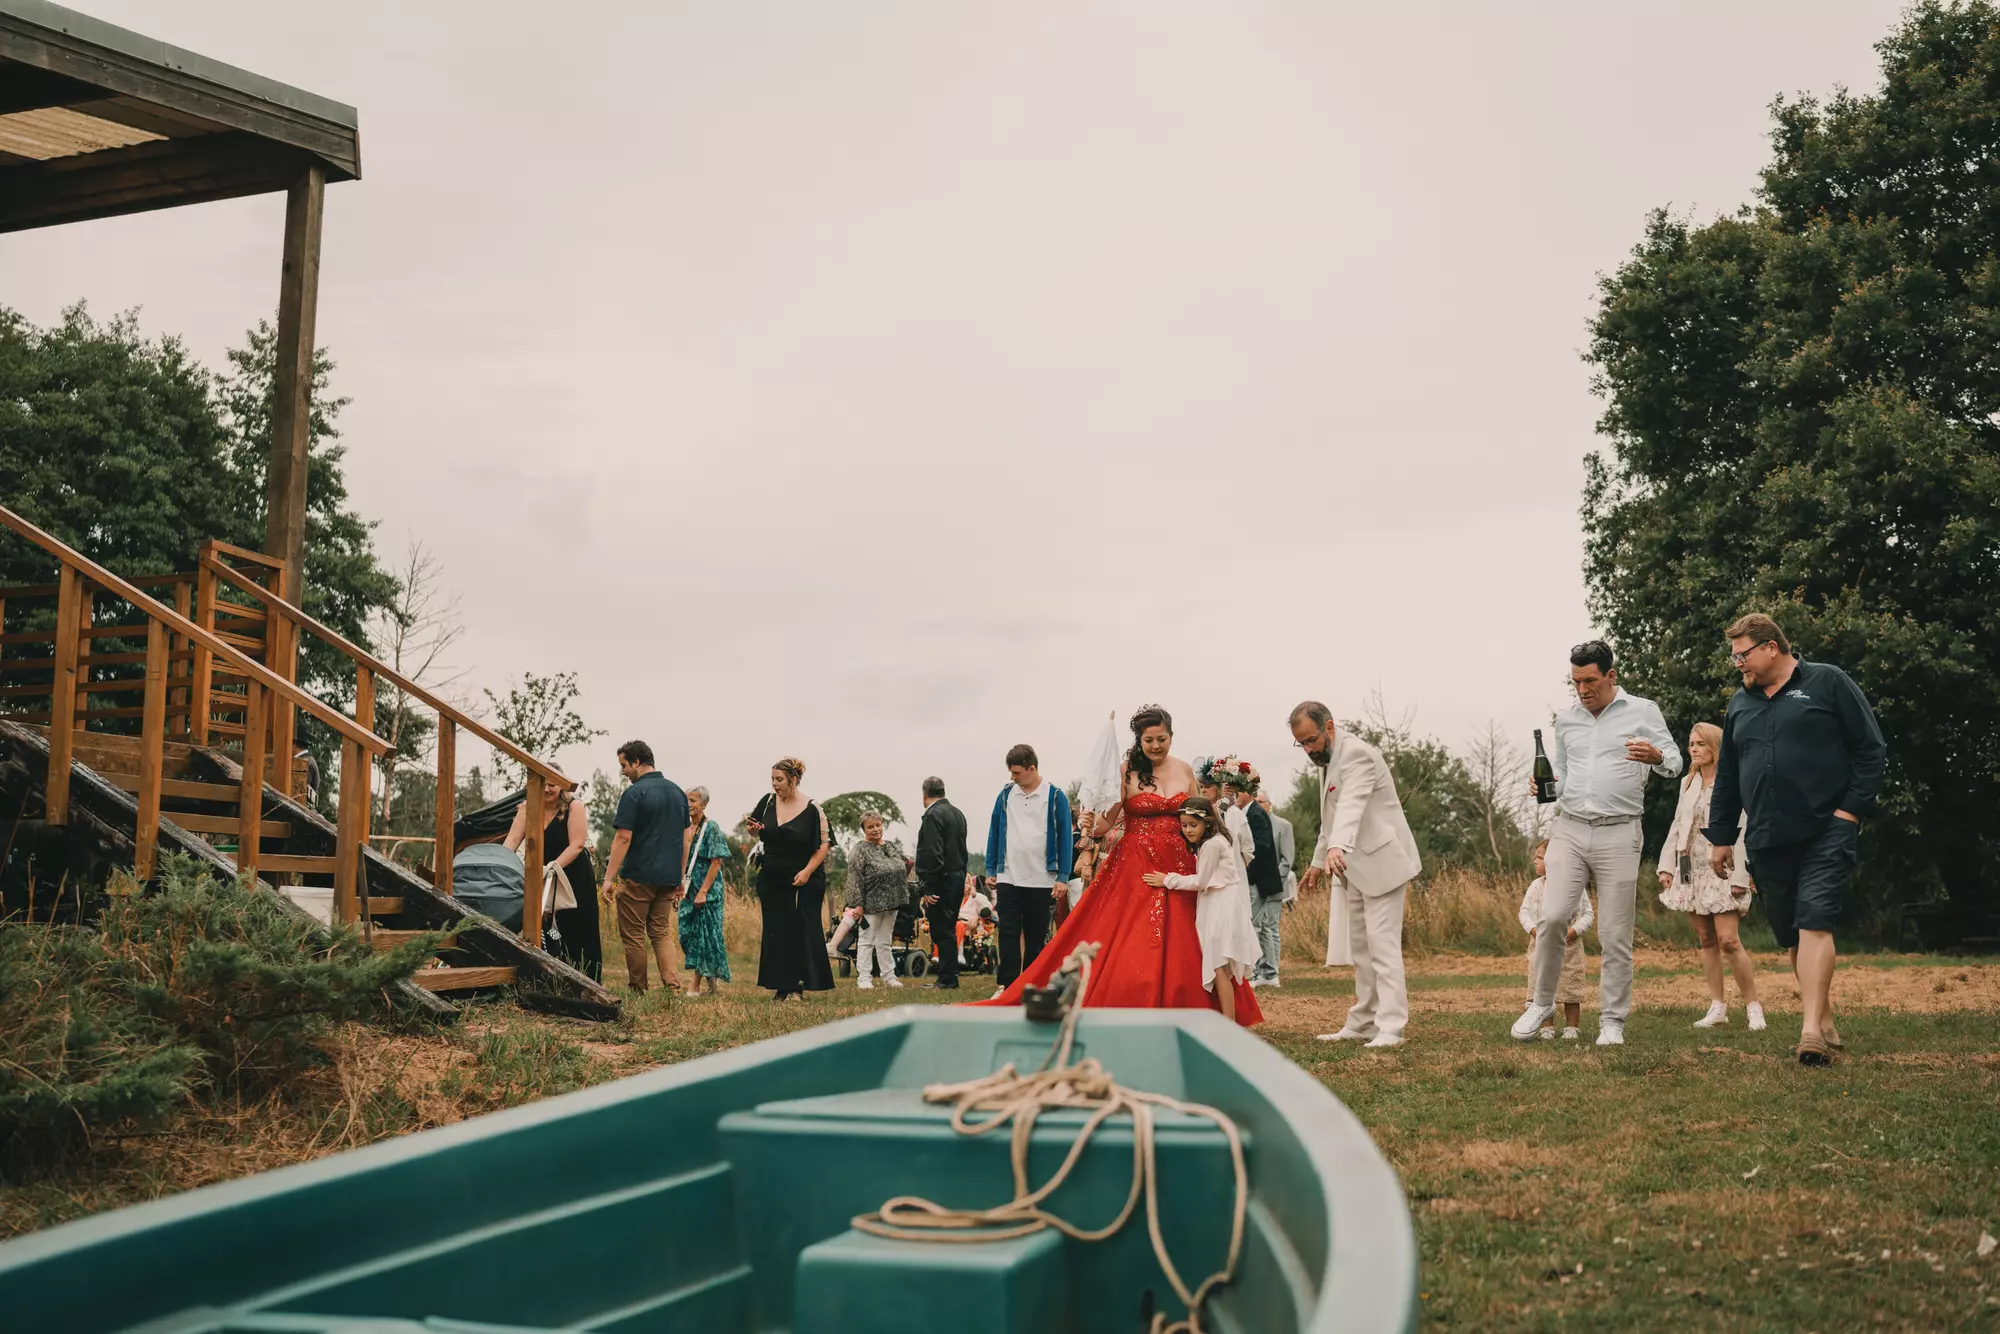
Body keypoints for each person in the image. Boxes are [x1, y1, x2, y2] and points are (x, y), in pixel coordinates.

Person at [979, 705, 1262, 1025]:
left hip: (1181, 862)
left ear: (1171, 737)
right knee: (1131, 934)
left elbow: (1200, 816)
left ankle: (1201, 1005)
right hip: (1135, 865)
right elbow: (1105, 824)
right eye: (1149, 740)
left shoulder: (1185, 770)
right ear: (1139, 740)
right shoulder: (1125, 771)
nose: (1156, 746)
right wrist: (1089, 820)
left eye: (1162, 739)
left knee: (1195, 933)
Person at [1705, 613, 1885, 1067]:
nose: (1737, 664)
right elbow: (1727, 776)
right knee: (1791, 934)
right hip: (1766, 835)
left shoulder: (1828, 683)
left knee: (1815, 921)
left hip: (1827, 828)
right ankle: (1821, 1017)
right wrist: (1723, 836)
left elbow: (1870, 748)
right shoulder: (1739, 704)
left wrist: (1849, 812)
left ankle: (1810, 1035)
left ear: (1771, 647)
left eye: (1741, 654)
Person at [1512, 641, 1681, 1047]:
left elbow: (1675, 764)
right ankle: (1542, 1004)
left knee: (1615, 932)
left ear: (1610, 676)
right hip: (1568, 828)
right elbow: (1564, 776)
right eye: (1575, 682)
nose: (1582, 689)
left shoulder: (1643, 711)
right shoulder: (1567, 720)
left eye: (1589, 680)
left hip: (1620, 831)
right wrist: (1545, 787)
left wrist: (1656, 755)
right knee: (1551, 917)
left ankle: (1612, 1022)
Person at [1291, 701, 1422, 1049]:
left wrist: (1338, 847)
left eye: (1310, 740)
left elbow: (1353, 804)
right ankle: (1363, 1021)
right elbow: (1330, 819)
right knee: (1361, 949)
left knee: (1383, 946)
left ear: (1329, 727)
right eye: (1301, 744)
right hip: (1353, 867)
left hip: (1382, 862)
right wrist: (1319, 861)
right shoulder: (1329, 761)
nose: (1308, 749)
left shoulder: (1357, 755)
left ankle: (1392, 1026)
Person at [1657, 723, 1763, 1030]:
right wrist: (1668, 866)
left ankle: (1753, 1007)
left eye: (1700, 744)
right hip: (1690, 867)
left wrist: (1745, 872)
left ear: (1715, 747)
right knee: (1706, 939)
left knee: (1729, 940)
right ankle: (1718, 1007)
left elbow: (1745, 830)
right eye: (1691, 744)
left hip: (1725, 867)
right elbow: (1678, 825)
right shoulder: (1688, 782)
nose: (1693, 749)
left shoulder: (1733, 783)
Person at [1144, 797, 1262, 1023]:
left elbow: (1200, 881)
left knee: (1218, 966)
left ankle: (1228, 1023)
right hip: (1218, 901)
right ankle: (1227, 1020)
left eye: (1193, 825)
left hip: (1221, 905)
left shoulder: (1211, 845)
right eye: (1184, 824)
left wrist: (1167, 879)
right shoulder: (1215, 841)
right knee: (1220, 967)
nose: (1187, 830)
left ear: (1207, 822)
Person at [982, 744, 1074, 996]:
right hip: (1009, 876)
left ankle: (1032, 983)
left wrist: (1063, 876)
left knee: (1036, 937)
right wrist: (991, 867)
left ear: (1032, 768)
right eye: (1011, 773)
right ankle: (1007, 985)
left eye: (1017, 773)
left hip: (1042, 879)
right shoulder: (1005, 795)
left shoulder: (1055, 796)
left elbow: (1065, 838)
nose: (1012, 777)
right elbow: (995, 832)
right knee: (1008, 932)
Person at [600, 740, 690, 996]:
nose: (623, 772)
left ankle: (638, 989)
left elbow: (623, 837)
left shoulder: (634, 793)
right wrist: (680, 877)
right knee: (661, 933)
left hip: (638, 875)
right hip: (668, 877)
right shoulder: (677, 793)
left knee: (634, 935)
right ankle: (673, 988)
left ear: (637, 762)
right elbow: (685, 839)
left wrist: (609, 879)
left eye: (624, 765)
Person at [746, 756, 834, 1000]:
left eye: (779, 779)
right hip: (772, 876)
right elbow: (755, 830)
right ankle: (781, 985)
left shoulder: (813, 808)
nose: (774, 784)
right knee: (776, 931)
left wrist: (806, 872)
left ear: (793, 780)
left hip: (803, 877)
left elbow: (824, 845)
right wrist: (753, 831)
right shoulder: (767, 802)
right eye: (772, 779)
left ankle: (798, 986)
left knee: (800, 931)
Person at [503, 768, 601, 981]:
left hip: (574, 874)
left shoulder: (574, 806)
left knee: (579, 929)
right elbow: (511, 841)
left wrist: (553, 867)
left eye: (552, 785)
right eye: (542, 784)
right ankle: (549, 981)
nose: (547, 789)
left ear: (562, 785)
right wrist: (501, 862)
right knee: (542, 928)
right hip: (540, 876)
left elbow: (577, 844)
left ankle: (586, 979)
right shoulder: (527, 809)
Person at [1517, 839, 1592, 1039]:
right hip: (1541, 944)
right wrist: (1534, 930)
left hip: (1570, 946)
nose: (1535, 861)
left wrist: (1574, 931)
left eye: (1540, 857)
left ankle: (1572, 1027)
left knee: (1570, 984)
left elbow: (1587, 914)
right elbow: (1524, 913)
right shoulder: (1536, 886)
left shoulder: (1575, 886)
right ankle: (1546, 1027)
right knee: (1541, 984)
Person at [1222, 763, 1285, 988]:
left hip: (1259, 880)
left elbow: (1263, 848)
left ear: (1247, 793)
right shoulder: (1247, 813)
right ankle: (1266, 972)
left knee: (1258, 926)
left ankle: (1265, 972)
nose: (1234, 796)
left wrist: (1248, 874)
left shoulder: (1255, 814)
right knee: (1262, 926)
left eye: (1237, 791)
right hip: (1258, 879)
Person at [914, 776, 970, 989]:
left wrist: (928, 887)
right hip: (957, 876)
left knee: (942, 929)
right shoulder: (957, 814)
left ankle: (947, 979)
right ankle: (948, 976)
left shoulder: (932, 815)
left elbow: (932, 853)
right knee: (948, 925)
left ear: (924, 794)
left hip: (941, 879)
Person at [845, 812, 909, 991]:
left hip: (891, 902)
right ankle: (864, 978)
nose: (875, 830)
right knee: (866, 941)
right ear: (864, 829)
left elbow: (899, 866)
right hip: (870, 904)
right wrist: (857, 903)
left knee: (885, 941)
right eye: (870, 827)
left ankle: (889, 976)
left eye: (878, 825)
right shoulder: (860, 849)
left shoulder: (889, 846)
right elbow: (854, 878)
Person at [678, 785, 732, 996]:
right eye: (687, 800)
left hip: (707, 891)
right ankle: (711, 979)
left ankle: (695, 986)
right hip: (687, 890)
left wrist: (703, 891)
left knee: (703, 936)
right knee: (686, 934)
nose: (689, 804)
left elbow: (716, 861)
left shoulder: (711, 827)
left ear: (704, 804)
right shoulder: (682, 827)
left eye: (693, 800)